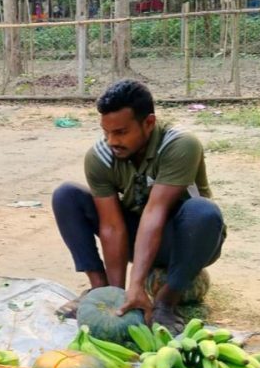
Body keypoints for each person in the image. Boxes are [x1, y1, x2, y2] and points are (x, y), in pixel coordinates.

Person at [51, 80, 226, 331]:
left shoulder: (180, 145)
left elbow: (155, 212)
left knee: (204, 211)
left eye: (121, 132)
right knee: (66, 195)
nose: (112, 141)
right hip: (137, 240)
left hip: (187, 241)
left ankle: (166, 302)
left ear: (149, 123)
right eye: (106, 132)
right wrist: (114, 297)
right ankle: (99, 288)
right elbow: (112, 226)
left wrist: (136, 284)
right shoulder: (100, 157)